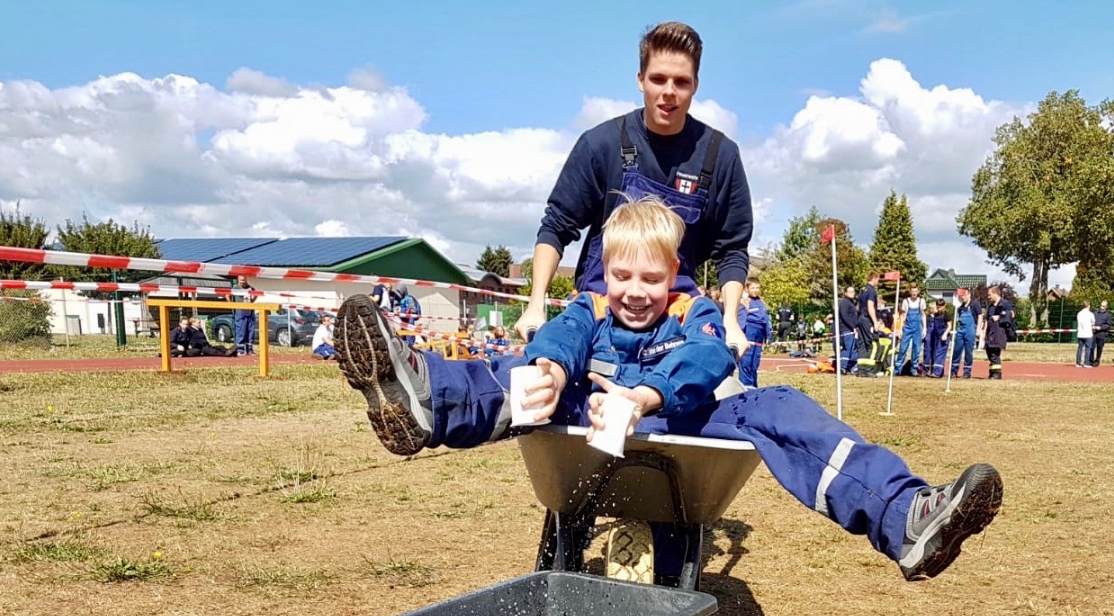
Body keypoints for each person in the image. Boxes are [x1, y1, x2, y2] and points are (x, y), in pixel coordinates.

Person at [330, 195, 1001, 583]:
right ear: (603, 275)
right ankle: (424, 400)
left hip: (683, 433)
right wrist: (556, 370)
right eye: (622, 276)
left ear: (674, 274)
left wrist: (646, 394)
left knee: (778, 407)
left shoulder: (693, 312)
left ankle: (904, 516)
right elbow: (563, 336)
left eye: (651, 279)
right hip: (587, 426)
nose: (635, 292)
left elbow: (709, 356)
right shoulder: (588, 308)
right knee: (522, 375)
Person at [515, 22, 753, 357]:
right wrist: (536, 304)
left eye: (681, 82)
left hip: (677, 316)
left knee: (720, 386)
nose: (668, 91)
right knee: (545, 369)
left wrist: (730, 319)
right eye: (658, 79)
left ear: (695, 85)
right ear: (640, 80)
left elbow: (732, 249)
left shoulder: (720, 156)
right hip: (600, 310)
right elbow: (556, 225)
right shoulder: (601, 145)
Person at [738, 278, 771, 387]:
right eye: (753, 288)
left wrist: (768, 336)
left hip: (759, 336)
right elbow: (741, 320)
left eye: (757, 288)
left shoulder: (762, 302)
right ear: (747, 289)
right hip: (749, 333)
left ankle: (753, 387)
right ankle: (745, 388)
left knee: (754, 364)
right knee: (746, 363)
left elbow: (766, 320)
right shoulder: (745, 302)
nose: (755, 290)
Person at [949, 287, 981, 379]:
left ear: (969, 295)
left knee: (968, 352)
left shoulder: (975, 304)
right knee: (956, 350)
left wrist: (978, 329)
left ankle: (967, 372)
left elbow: (980, 316)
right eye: (961, 296)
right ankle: (953, 371)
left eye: (964, 295)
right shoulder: (960, 306)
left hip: (970, 329)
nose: (963, 297)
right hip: (961, 329)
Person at [982, 286, 1013, 380]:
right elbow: (987, 320)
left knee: (995, 352)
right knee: (989, 352)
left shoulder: (1004, 304)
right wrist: (984, 332)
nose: (988, 297)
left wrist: (999, 317)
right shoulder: (991, 306)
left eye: (989, 295)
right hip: (990, 333)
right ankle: (992, 373)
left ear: (995, 293)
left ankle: (997, 374)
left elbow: (1011, 314)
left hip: (999, 332)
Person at [896, 285, 926, 375]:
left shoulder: (921, 301)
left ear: (918, 291)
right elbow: (903, 316)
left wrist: (925, 328)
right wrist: (901, 329)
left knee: (916, 348)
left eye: (915, 291)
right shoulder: (906, 301)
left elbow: (923, 315)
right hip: (907, 327)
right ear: (910, 292)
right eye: (912, 291)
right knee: (903, 348)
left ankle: (914, 368)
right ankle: (898, 368)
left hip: (918, 327)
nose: (914, 293)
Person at [836, 285, 861, 374]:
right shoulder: (844, 303)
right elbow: (844, 316)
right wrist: (852, 326)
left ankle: (851, 366)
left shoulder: (851, 303)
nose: (852, 293)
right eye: (850, 292)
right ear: (845, 293)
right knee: (848, 348)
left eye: (853, 291)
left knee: (853, 349)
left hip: (853, 330)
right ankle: (842, 367)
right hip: (847, 329)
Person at [925, 299, 950, 377]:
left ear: (944, 306)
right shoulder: (936, 314)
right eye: (938, 307)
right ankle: (939, 372)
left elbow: (950, 326)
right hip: (937, 336)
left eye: (941, 307)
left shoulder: (946, 314)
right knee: (936, 353)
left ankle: (937, 372)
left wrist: (945, 334)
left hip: (943, 337)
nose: (939, 308)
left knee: (940, 353)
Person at [1090, 301, 1111, 366]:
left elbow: (1108, 325)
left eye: (1103, 306)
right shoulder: (1095, 313)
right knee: (1092, 347)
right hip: (1094, 333)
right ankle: (1091, 360)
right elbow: (1091, 321)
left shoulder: (1108, 315)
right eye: (1101, 305)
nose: (1102, 307)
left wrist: (1101, 327)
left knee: (1099, 347)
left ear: (1106, 307)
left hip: (1101, 334)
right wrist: (1092, 326)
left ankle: (1097, 360)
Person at [1074, 301, 1094, 367]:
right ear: (1089, 306)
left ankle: (1078, 363)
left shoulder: (1079, 313)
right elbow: (1093, 322)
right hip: (1088, 333)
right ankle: (1086, 363)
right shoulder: (1090, 314)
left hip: (1080, 333)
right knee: (1088, 348)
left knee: (1080, 348)